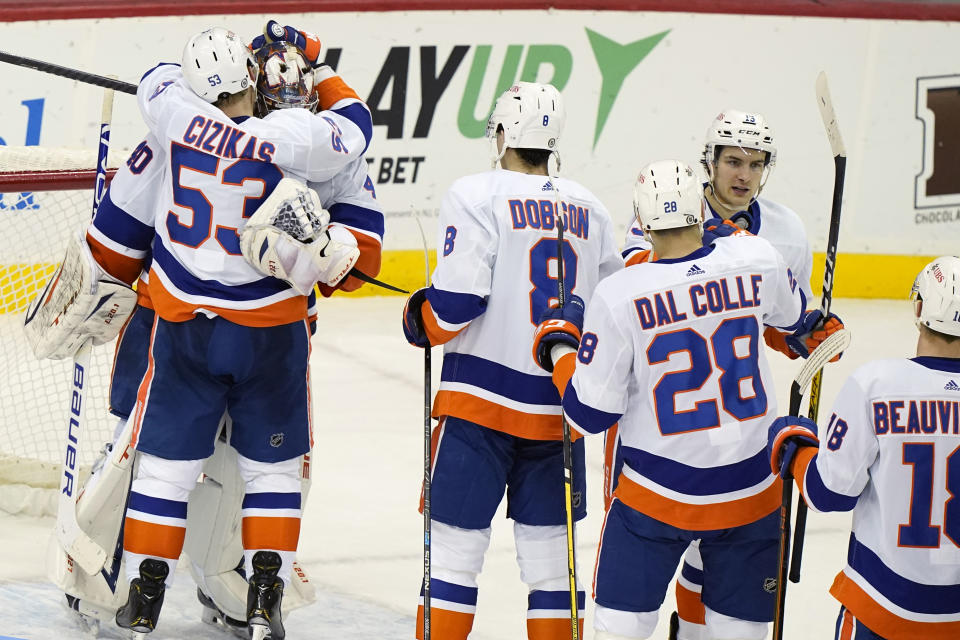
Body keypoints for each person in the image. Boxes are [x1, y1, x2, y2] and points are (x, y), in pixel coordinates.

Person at [44, 30, 383, 637]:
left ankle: (144, 586)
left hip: (175, 322)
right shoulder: (323, 142)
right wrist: (330, 256)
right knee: (265, 468)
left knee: (156, 461)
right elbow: (361, 259)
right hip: (269, 335)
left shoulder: (175, 123)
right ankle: (237, 590)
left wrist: (94, 295)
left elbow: (113, 243)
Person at [531, 159, 843, 640]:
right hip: (751, 492)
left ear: (641, 221)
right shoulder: (756, 256)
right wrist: (816, 329)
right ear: (701, 207)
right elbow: (799, 324)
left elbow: (588, 414)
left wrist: (561, 350)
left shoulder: (620, 294)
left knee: (619, 631)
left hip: (657, 496)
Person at [401, 81, 623, 639]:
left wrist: (417, 320)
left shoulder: (476, 193)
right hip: (560, 415)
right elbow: (613, 311)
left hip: (478, 412)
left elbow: (455, 307)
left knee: (452, 561)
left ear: (502, 134)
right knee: (553, 574)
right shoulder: (593, 210)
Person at [618, 110, 817, 640]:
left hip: (735, 417)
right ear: (710, 160)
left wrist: (809, 337)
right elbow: (641, 279)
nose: (743, 175)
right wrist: (721, 245)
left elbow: (782, 318)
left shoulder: (787, 231)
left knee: (718, 554)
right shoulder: (674, 202)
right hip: (660, 421)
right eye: (733, 160)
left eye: (756, 164)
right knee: (660, 557)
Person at [768, 256, 960, 640]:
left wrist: (797, 450)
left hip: (882, 607)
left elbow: (828, 494)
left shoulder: (877, 385)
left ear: (919, 308)